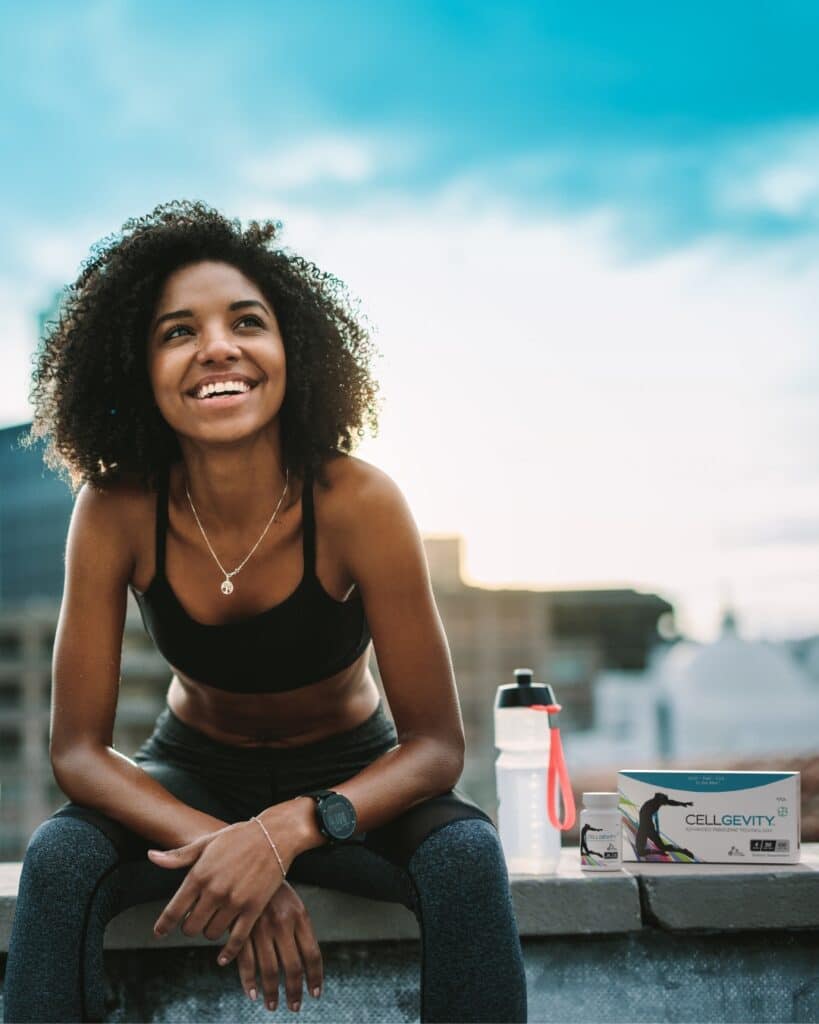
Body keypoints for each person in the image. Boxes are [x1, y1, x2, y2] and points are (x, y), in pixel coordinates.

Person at [3, 200, 528, 1023]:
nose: (217, 346)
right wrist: (228, 846)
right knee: (61, 856)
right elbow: (77, 752)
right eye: (178, 332)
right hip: (191, 769)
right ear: (137, 370)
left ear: (292, 352)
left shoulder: (358, 500)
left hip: (354, 775)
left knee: (466, 855)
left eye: (246, 322)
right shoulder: (114, 507)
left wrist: (287, 831)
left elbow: (434, 749)